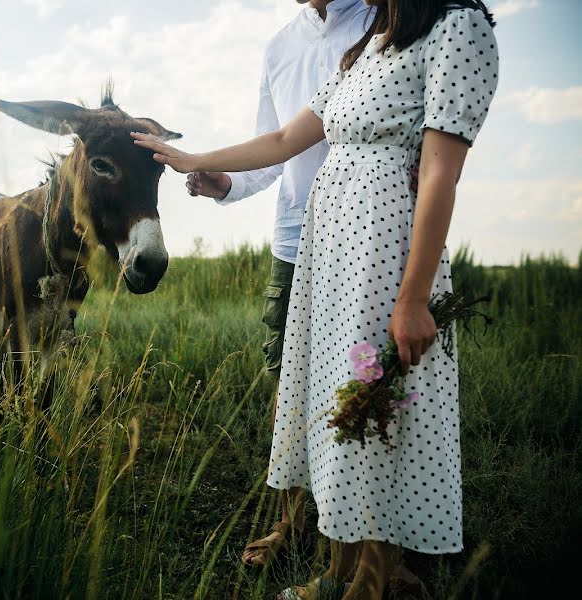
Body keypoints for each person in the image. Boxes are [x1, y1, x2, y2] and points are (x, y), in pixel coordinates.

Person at [132, 1, 499, 598]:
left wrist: (412, 297)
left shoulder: (457, 26)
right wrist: (193, 159)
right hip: (327, 261)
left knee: (381, 413)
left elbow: (438, 174)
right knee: (333, 408)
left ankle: (372, 586)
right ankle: (335, 572)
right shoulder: (373, 44)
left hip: (382, 258)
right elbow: (282, 139)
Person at [185, 0, 371, 568]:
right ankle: (294, 522)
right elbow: (270, 154)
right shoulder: (279, 46)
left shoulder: (382, 20)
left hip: (365, 241)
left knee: (370, 383)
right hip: (295, 243)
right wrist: (223, 184)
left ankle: (375, 542)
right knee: (288, 386)